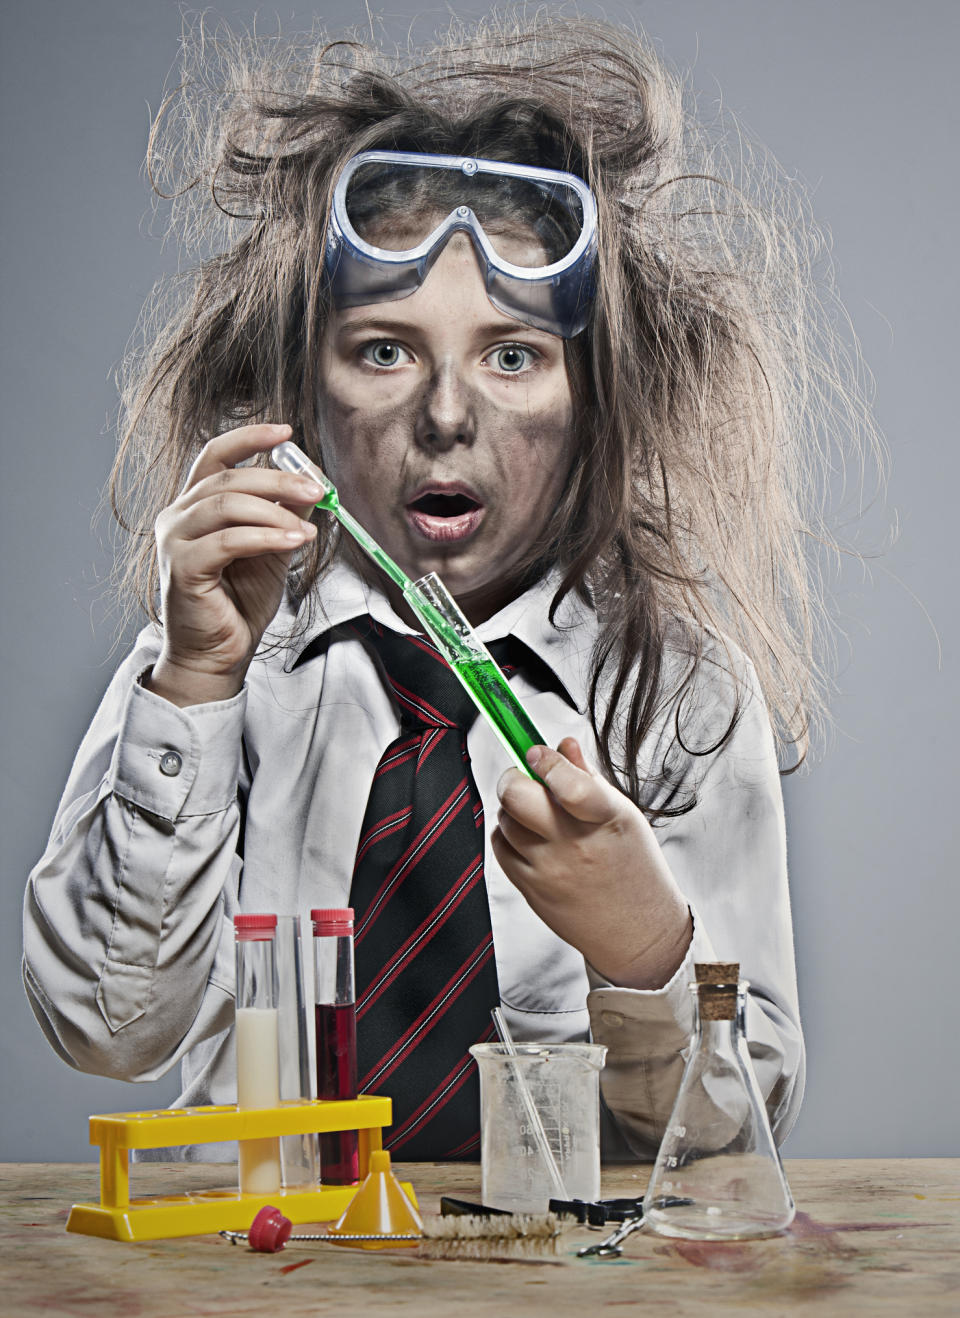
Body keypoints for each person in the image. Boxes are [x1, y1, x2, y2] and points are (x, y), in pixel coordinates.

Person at [23, 13, 869, 1162]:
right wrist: (194, 683)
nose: (446, 414)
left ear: (595, 399)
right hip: (268, 1269)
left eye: (513, 355)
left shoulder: (675, 689)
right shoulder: (219, 663)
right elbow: (105, 1029)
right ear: (300, 386)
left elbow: (733, 1133)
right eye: (383, 349)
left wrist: (643, 947)